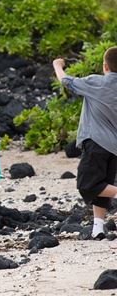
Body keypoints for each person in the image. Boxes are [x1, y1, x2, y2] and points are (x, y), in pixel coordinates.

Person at [53, 46, 117, 239]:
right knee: (103, 185)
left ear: (105, 66)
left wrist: (57, 65)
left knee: (87, 185)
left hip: (96, 142)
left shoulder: (97, 82)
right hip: (114, 147)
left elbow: (65, 81)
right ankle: (97, 228)